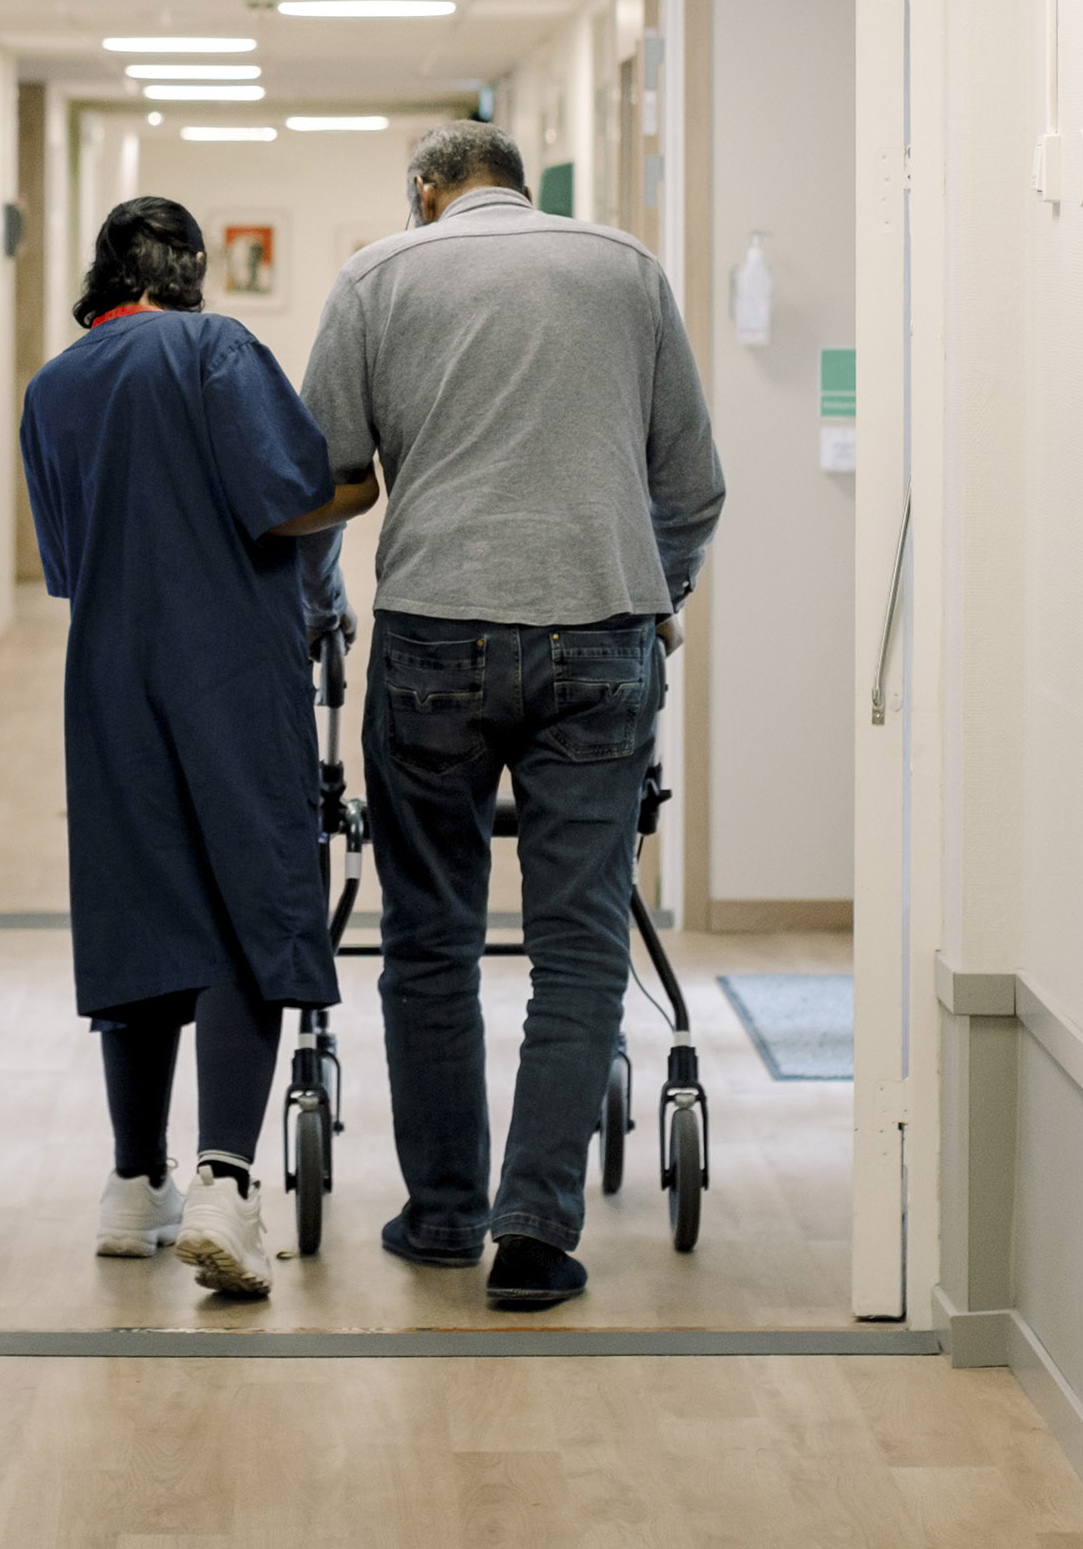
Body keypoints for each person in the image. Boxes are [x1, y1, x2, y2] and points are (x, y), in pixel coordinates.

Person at [292, 121, 725, 1313]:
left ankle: (442, 1217)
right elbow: (690, 487)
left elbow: (327, 473)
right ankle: (536, 1231)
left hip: (435, 629)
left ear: (428, 193)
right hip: (601, 629)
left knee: (431, 936)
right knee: (580, 937)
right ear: (522, 189)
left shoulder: (381, 274)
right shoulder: (626, 270)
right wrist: (656, 600)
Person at [18, 196, 350, 1298]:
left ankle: (130, 1185)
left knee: (140, 905)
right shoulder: (214, 347)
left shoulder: (53, 387)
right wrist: (370, 473)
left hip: (110, 675)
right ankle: (223, 1183)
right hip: (230, 672)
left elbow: (66, 562)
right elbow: (294, 499)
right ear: (193, 271)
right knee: (248, 905)